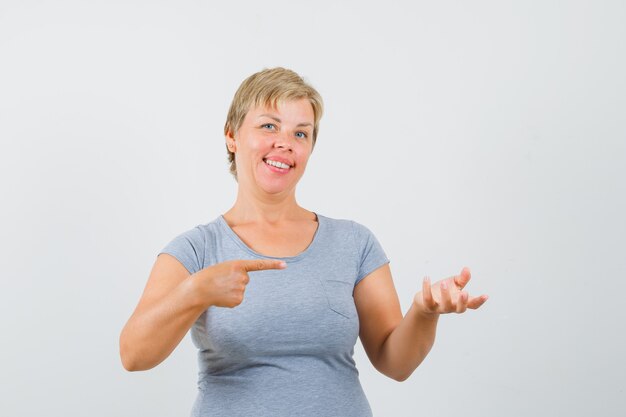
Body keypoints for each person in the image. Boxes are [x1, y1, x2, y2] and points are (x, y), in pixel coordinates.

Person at [119, 67, 488, 417]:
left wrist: (424, 312)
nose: (285, 143)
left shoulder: (354, 242)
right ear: (231, 135)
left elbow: (396, 363)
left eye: (301, 133)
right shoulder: (195, 250)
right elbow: (133, 355)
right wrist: (195, 291)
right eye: (268, 126)